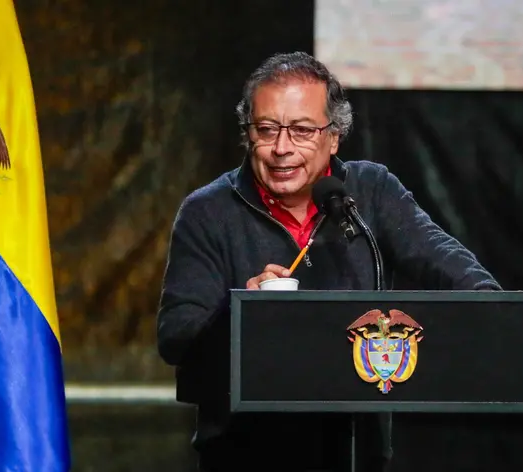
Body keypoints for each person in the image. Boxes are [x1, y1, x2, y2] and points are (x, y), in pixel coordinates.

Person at [157, 51, 502, 472]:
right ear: (249, 134)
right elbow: (176, 337)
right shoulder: (207, 212)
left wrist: (493, 305)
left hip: (360, 450)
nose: (281, 148)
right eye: (266, 130)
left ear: (333, 137)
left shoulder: (370, 190)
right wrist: (241, 312)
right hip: (245, 454)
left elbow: (437, 254)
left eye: (302, 130)